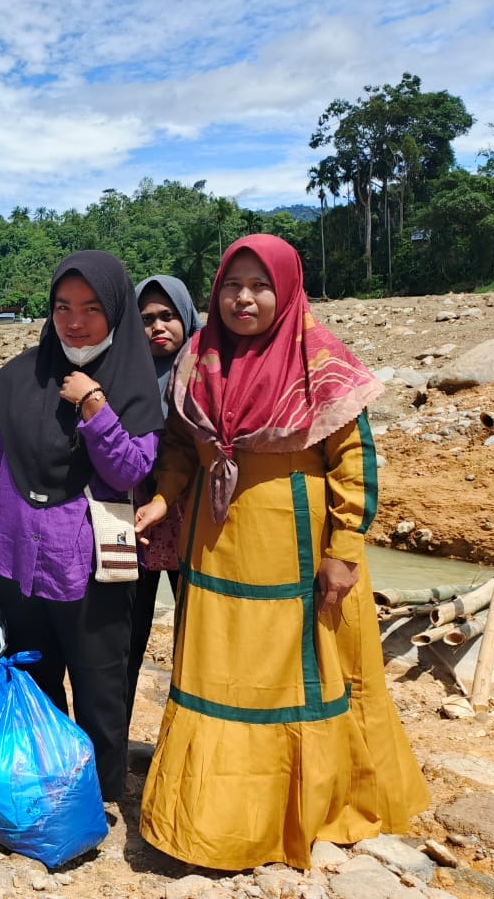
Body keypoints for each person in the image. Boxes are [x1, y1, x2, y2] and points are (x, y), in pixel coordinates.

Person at [135, 235, 429, 870]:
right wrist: (164, 497)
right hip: (215, 550)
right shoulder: (199, 356)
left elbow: (355, 465)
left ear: (287, 289)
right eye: (232, 285)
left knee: (295, 676)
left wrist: (343, 551)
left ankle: (299, 818)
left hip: (295, 554)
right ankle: (212, 822)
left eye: (259, 286)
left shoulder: (319, 361)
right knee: (220, 672)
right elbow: (184, 446)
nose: (244, 298)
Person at [0, 252, 164, 802]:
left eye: (92, 308)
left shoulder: (133, 384)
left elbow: (131, 470)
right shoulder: (19, 378)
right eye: (63, 307)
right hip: (19, 559)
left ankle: (101, 792)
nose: (75, 321)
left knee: (99, 686)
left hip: (90, 564)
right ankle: (51, 784)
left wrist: (93, 405)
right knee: (37, 679)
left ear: (115, 311)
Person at [126, 274, 201, 725]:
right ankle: (113, 745)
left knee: (195, 638)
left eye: (167, 316)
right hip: (136, 521)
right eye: (146, 319)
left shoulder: (210, 371)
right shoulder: (126, 376)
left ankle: (186, 738)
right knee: (127, 640)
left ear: (186, 316)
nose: (158, 327)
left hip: (196, 522)